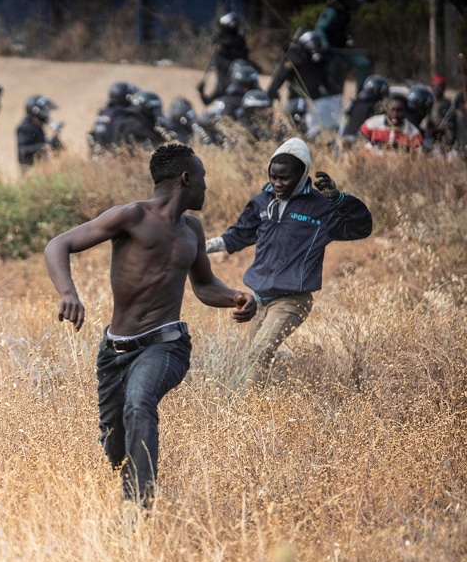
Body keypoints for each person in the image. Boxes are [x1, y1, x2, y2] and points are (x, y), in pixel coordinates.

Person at [44, 143, 257, 506]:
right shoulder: (132, 217)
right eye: (203, 179)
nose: (206, 187)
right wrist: (68, 293)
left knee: (140, 403)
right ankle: (128, 478)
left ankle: (138, 508)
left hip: (166, 344)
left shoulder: (192, 229)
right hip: (115, 351)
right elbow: (58, 244)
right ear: (186, 179)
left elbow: (204, 285)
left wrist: (238, 297)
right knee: (115, 448)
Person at [205, 138, 373, 391]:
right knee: (254, 355)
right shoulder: (262, 202)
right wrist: (200, 247)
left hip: (292, 299)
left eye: (284, 178)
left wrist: (339, 200)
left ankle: (246, 415)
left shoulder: (320, 208)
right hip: (259, 298)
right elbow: (238, 235)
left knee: (257, 355)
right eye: (273, 177)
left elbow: (361, 227)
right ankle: (295, 371)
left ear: (302, 175)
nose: (277, 183)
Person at [266, 31, 343, 139]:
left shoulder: (319, 61)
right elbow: (279, 79)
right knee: (297, 125)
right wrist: (269, 95)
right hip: (296, 100)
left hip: (315, 102)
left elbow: (326, 80)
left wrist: (336, 96)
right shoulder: (294, 59)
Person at [315, 0, 371, 92]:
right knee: (329, 76)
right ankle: (323, 99)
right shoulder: (332, 11)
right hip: (330, 51)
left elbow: (356, 5)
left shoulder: (346, 9)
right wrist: (325, 44)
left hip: (342, 49)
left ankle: (360, 94)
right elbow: (320, 28)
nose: (351, 1)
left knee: (363, 63)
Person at [197, 13, 261, 105]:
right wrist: (201, 93)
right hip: (224, 90)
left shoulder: (237, 47)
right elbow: (207, 101)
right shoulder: (222, 52)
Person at [358, 89, 423, 152]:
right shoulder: (373, 123)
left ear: (406, 111)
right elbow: (359, 143)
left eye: (399, 111)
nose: (395, 114)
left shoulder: (412, 132)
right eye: (392, 110)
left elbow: (418, 154)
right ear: (386, 109)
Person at [337, 73, 388, 148]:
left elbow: (343, 125)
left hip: (345, 140)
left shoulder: (353, 104)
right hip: (361, 144)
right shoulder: (376, 108)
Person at [88, 81, 139, 154]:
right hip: (115, 157)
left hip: (99, 156)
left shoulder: (103, 112)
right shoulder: (122, 113)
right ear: (126, 97)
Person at [17, 94, 62, 169]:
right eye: (45, 111)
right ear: (36, 111)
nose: (47, 114)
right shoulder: (24, 128)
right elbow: (23, 149)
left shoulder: (37, 126)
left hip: (42, 168)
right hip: (31, 171)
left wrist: (54, 140)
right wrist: (42, 146)